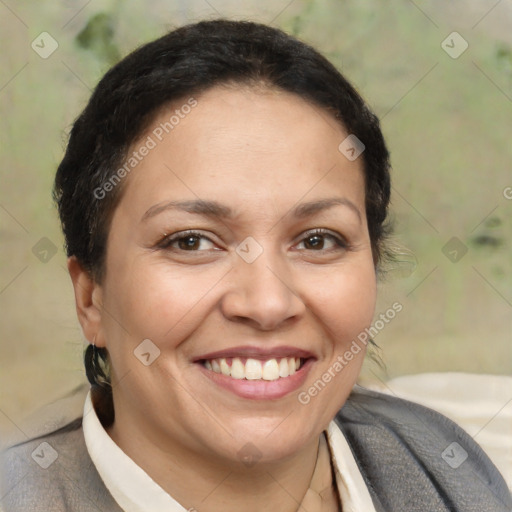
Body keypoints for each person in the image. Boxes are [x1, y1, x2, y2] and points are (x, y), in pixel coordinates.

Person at [1, 19, 510, 512]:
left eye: (317, 239)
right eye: (192, 241)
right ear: (91, 297)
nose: (267, 303)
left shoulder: (443, 463)